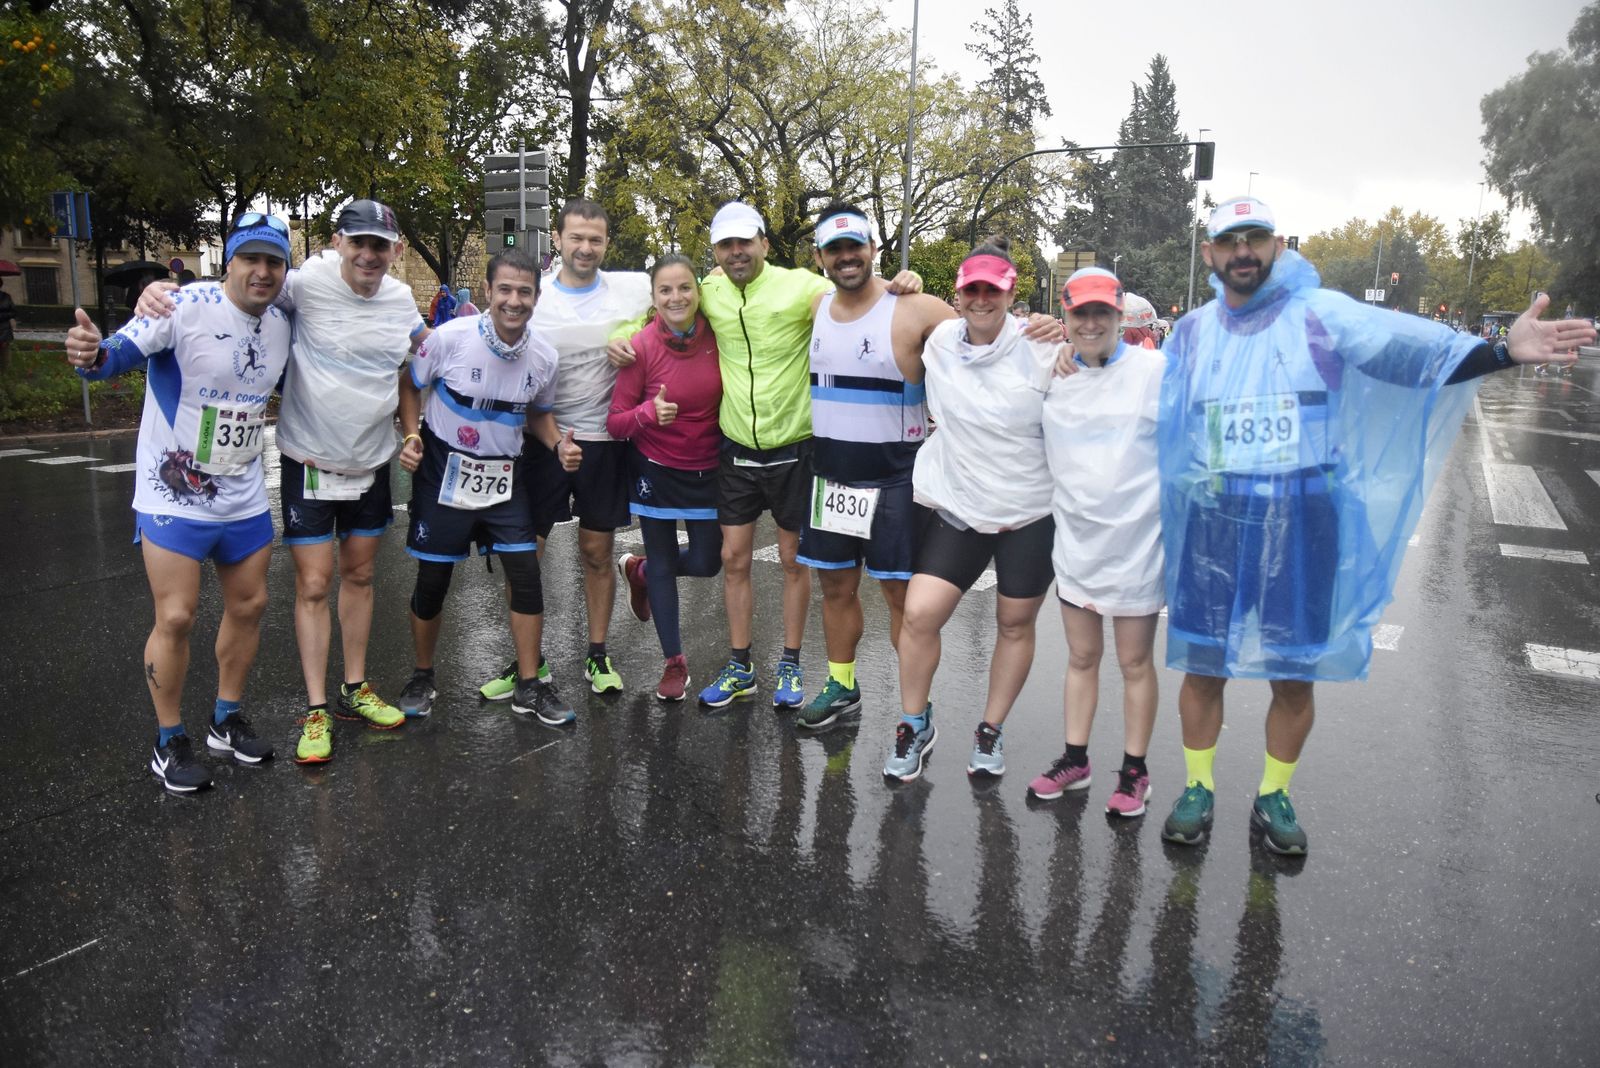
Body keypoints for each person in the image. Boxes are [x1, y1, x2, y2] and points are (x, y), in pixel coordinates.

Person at [1158, 196, 1595, 855]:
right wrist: (1072, 361)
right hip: (1217, 518)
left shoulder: (1320, 314)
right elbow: (1155, 410)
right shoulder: (1188, 332)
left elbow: (1415, 353)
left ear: (1275, 245)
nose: (1242, 251)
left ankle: (1274, 795)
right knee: (1203, 664)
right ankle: (1198, 787)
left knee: (1294, 669)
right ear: (1209, 253)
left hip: (1301, 517)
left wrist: (1504, 350)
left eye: (1255, 238)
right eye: (1229, 240)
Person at [135, 198, 426, 765]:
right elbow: (240, 292)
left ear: (396, 251)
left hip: (370, 461)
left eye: (379, 245)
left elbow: (425, 350)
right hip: (309, 458)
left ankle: (354, 689)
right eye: (357, 242)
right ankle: (316, 707)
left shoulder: (401, 298)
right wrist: (157, 293)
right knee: (314, 585)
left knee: (361, 575)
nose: (368, 254)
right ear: (338, 243)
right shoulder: (304, 281)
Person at [64, 214, 294, 793]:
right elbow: (113, 356)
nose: (262, 272)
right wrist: (90, 352)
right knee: (176, 615)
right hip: (174, 493)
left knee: (250, 606)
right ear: (230, 261)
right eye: (251, 259)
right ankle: (169, 740)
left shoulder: (285, 318)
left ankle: (226, 718)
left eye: (274, 262)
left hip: (241, 495)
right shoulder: (183, 305)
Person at [885, 239, 1059, 782]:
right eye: (972, 289)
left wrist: (1069, 331)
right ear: (958, 295)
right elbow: (872, 305)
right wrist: (903, 286)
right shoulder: (937, 341)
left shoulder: (1042, 346)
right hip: (960, 506)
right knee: (918, 615)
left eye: (994, 289)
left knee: (1013, 623)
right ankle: (916, 723)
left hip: (1030, 512)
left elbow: (1096, 383)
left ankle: (990, 730)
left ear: (1010, 295)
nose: (982, 298)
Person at [477, 199, 651, 707]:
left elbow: (689, 299)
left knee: (597, 554)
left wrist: (638, 342)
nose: (585, 248)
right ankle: (527, 662)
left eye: (595, 239)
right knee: (523, 559)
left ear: (606, 243)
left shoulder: (632, 289)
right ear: (557, 239)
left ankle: (597, 653)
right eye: (576, 237)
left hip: (604, 441)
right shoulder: (538, 298)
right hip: (539, 441)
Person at [396, 248, 580, 725]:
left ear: (536, 298)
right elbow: (410, 383)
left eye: (524, 292)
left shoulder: (543, 356)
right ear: (487, 291)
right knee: (433, 580)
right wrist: (412, 434)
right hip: (444, 469)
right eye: (505, 290)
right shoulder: (450, 339)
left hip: (504, 474)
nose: (514, 301)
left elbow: (539, 414)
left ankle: (529, 685)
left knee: (525, 574)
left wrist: (557, 443)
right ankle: (421, 674)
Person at [792, 202, 955, 730]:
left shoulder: (916, 308)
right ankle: (841, 684)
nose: (846, 257)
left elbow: (986, 340)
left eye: (854, 246)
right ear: (820, 257)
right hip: (832, 477)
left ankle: (916, 712)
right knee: (835, 588)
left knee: (902, 598)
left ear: (873, 249)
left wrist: (1046, 333)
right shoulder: (814, 306)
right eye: (834, 249)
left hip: (895, 479)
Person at [1031, 267, 1165, 817]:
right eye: (1079, 313)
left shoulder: (1156, 370)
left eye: (1101, 313)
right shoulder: (1051, 373)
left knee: (1135, 663)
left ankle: (1135, 771)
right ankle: (1076, 758)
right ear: (1065, 316)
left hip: (1137, 547)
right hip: (1077, 544)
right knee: (1082, 657)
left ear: (1119, 316)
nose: (1090, 323)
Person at [606, 255, 723, 700]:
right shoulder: (641, 346)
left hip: (707, 465)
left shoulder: (718, 334)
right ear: (653, 299)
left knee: (710, 560)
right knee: (665, 554)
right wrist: (647, 414)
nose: (676, 298)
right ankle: (674, 662)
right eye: (665, 290)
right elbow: (616, 422)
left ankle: (641, 572)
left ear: (698, 292)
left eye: (684, 288)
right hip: (655, 467)